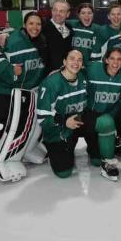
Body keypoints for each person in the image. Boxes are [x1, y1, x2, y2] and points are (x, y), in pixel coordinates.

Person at [83, 38, 121, 181]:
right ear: (106, 60)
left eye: (119, 59)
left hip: (114, 112)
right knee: (96, 159)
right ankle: (106, 156)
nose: (115, 62)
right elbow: (74, 66)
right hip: (93, 115)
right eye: (112, 59)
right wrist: (59, 70)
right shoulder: (92, 68)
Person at [0, 11, 48, 127]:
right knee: (12, 130)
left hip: (26, 94)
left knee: (24, 129)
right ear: (24, 25)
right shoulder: (13, 41)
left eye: (38, 24)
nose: (35, 27)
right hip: (6, 95)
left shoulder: (43, 42)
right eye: (31, 23)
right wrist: (11, 71)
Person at [36, 49, 87, 178]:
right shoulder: (51, 84)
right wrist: (64, 122)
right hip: (58, 129)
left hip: (77, 122)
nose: (76, 62)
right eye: (72, 58)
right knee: (64, 172)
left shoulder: (83, 77)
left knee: (101, 124)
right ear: (64, 61)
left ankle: (94, 151)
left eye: (79, 59)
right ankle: (54, 148)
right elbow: (42, 118)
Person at [43, 0, 73, 72]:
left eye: (62, 11)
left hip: (66, 72)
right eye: (55, 10)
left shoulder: (70, 28)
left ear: (68, 14)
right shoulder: (43, 29)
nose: (57, 13)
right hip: (49, 74)